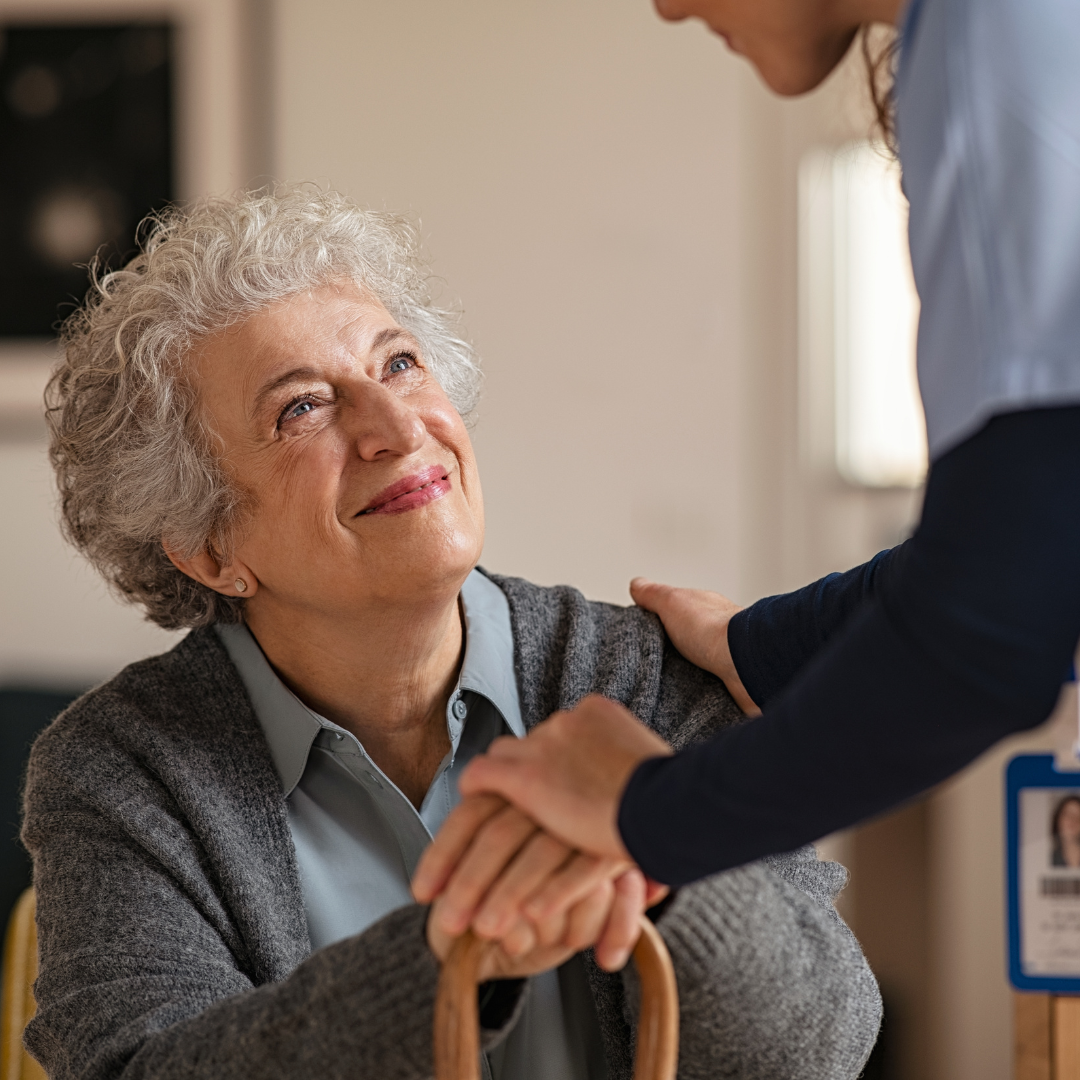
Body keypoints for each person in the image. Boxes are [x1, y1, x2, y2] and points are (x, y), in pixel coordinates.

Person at [22, 187, 881, 1080]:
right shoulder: (123, 770)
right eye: (302, 409)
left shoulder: (644, 683)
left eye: (398, 365)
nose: (398, 428)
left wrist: (663, 821)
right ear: (208, 549)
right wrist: (452, 953)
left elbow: (816, 1049)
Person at [415, 0, 1080, 907]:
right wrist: (763, 646)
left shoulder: (994, 37)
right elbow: (1039, 539)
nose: (668, 5)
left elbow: (989, 636)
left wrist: (646, 813)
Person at [1051, 797, 1080, 869]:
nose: (1074, 820)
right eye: (1068, 814)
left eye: (1079, 816)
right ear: (1058, 820)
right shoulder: (1050, 858)